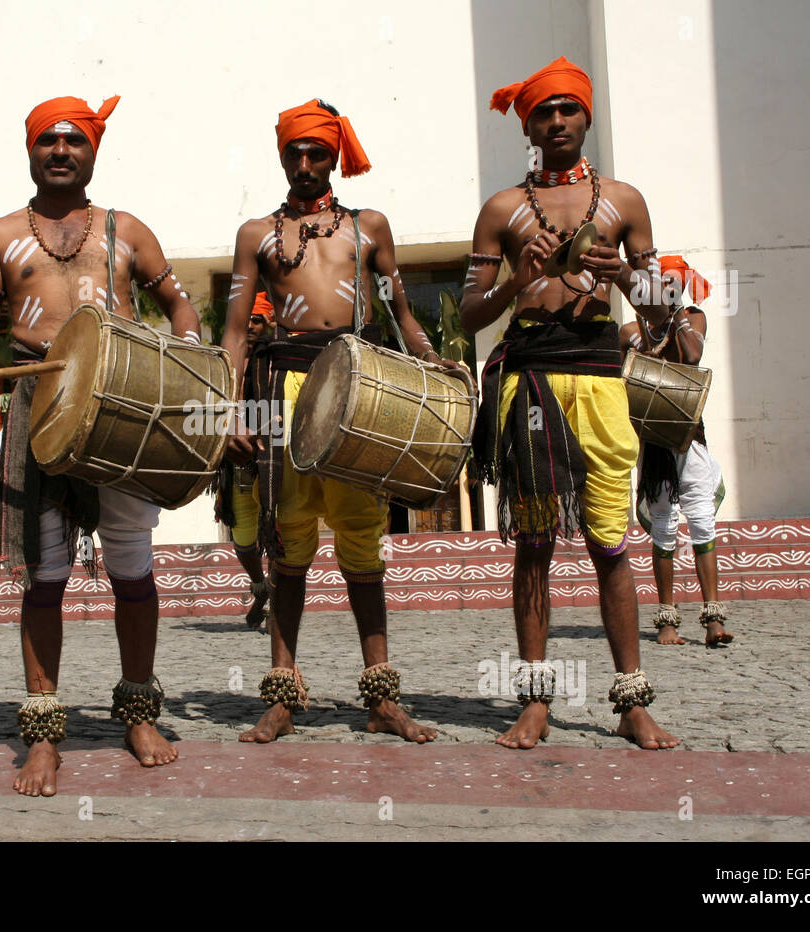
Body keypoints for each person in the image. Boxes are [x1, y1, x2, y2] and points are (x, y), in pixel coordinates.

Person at [0, 95, 201, 796]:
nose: (61, 151)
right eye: (48, 142)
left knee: (131, 567)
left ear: (92, 152)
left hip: (120, 401)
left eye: (74, 141)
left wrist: (185, 349)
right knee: (45, 574)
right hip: (39, 405)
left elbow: (180, 305)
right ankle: (42, 732)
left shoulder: (127, 231)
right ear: (30, 150)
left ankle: (139, 712)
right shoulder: (1, 236)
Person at [461, 58, 680, 750]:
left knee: (610, 545)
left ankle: (632, 700)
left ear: (587, 117)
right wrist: (516, 282)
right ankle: (533, 699)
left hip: (600, 375)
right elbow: (469, 315)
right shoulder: (502, 210)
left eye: (568, 110)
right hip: (530, 381)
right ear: (526, 123)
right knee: (532, 547)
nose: (556, 122)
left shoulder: (624, 202)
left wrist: (629, 280)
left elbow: (665, 315)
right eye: (544, 112)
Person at [222, 99, 449, 744]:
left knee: (361, 545)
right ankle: (282, 693)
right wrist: (231, 407)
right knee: (286, 544)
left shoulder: (369, 228)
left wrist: (435, 367)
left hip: (356, 391)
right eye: (294, 152)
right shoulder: (257, 234)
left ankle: (381, 697)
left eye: (316, 152)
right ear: (281, 156)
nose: (304, 163)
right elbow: (236, 332)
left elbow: (401, 314)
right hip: (282, 388)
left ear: (334, 157)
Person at [618, 256, 732, 647]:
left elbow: (693, 355)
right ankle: (666, 620)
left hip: (688, 438)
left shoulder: (692, 319)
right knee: (665, 529)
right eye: (656, 287)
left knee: (702, 522)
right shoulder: (632, 331)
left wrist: (678, 310)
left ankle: (713, 618)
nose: (663, 292)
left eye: (670, 285)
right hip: (655, 444)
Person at [215, 291, 274, 629]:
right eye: (247, 318)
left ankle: (277, 598)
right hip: (238, 461)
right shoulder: (228, 360)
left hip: (275, 457)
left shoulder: (278, 357)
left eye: (258, 319)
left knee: (280, 529)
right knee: (242, 537)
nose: (250, 325)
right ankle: (260, 585)